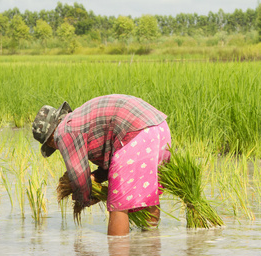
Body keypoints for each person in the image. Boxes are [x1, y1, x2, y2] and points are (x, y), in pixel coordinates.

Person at [32, 94, 171, 236]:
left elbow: (78, 173)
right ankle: (151, 245)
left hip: (137, 133)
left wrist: (85, 198)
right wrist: (95, 177)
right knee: (148, 197)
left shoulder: (63, 131)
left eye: (53, 146)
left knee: (118, 206)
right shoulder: (79, 119)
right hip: (159, 129)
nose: (57, 147)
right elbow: (112, 163)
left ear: (50, 139)